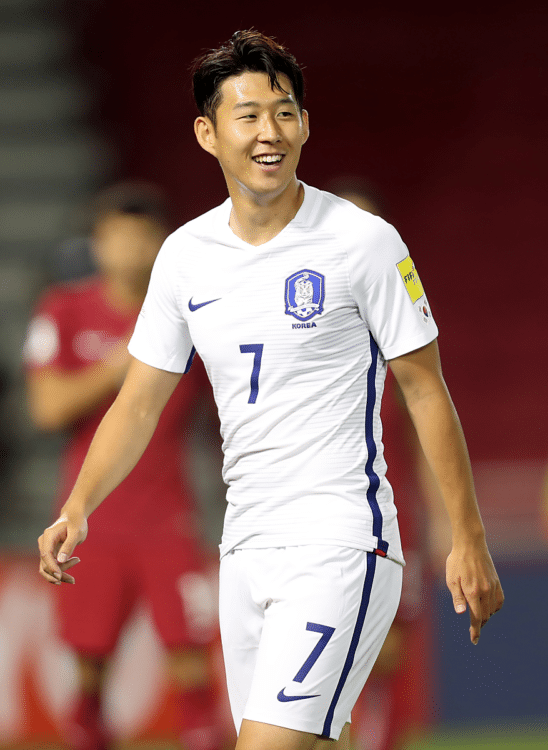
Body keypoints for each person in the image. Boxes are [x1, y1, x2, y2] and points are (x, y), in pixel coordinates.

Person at [37, 31, 504, 750]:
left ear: (306, 125)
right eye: (248, 114)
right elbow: (137, 402)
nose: (269, 132)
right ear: (207, 132)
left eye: (285, 113)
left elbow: (425, 391)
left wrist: (467, 538)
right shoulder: (186, 257)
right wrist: (79, 504)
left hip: (342, 541)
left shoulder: (363, 241)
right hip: (246, 546)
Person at [26, 182, 221, 750]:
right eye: (118, 236)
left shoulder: (192, 316)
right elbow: (46, 406)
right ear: (97, 243)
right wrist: (119, 369)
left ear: (161, 244)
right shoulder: (63, 310)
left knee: (192, 665)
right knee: (89, 669)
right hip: (94, 518)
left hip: (170, 517)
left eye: (142, 237)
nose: (130, 249)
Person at [327, 178, 446, 750]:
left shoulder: (397, 317)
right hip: (325, 515)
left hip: (393, 515)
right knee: (330, 653)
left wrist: (444, 517)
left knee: (388, 649)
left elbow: (425, 417)